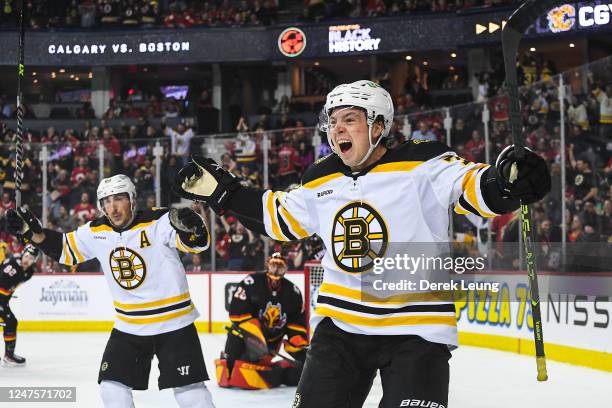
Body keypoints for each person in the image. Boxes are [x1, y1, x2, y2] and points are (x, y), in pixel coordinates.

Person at [173, 80, 551, 407]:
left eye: (350, 119)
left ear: (378, 126)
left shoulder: (425, 162)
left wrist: (506, 183)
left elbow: (473, 187)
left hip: (417, 329)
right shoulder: (320, 176)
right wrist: (225, 193)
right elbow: (279, 217)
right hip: (341, 329)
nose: (338, 128)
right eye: (333, 121)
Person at [5, 175, 215, 408]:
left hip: (174, 323)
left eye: (119, 199)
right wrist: (31, 232)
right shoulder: (96, 230)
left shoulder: (160, 220)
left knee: (190, 393)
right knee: (112, 389)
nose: (112, 207)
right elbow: (65, 250)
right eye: (106, 201)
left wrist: (194, 228)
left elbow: (198, 244)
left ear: (132, 199)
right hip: (130, 325)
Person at [215, 252, 308, 390]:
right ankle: (231, 363)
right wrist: (258, 338)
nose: (276, 271)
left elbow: (296, 328)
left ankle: (278, 371)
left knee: (300, 372)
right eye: (273, 266)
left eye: (280, 267)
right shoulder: (251, 282)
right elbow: (237, 315)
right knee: (235, 336)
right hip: (247, 339)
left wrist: (301, 349)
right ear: (267, 265)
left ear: (286, 270)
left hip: (271, 346)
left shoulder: (293, 293)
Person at [0, 244, 39, 366]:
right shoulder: (12, 266)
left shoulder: (29, 272)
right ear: (23, 254)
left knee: (11, 322)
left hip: (3, 301)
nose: (28, 260)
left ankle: (9, 355)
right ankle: (9, 356)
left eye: (31, 258)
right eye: (27, 256)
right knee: (10, 322)